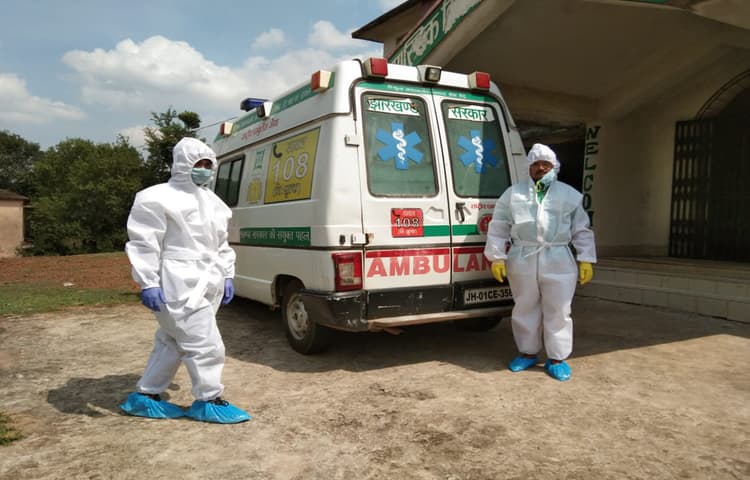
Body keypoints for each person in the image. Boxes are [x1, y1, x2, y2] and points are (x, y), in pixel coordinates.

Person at [119, 137, 251, 423]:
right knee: (205, 343)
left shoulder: (213, 202)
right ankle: (208, 399)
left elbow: (221, 244)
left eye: (208, 164)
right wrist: (148, 281)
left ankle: (146, 396)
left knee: (172, 341)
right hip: (176, 281)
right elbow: (144, 243)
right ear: (182, 163)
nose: (205, 170)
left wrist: (228, 274)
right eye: (199, 163)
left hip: (208, 279)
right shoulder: (155, 198)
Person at [484, 143, 596, 381]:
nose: (541, 168)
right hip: (523, 256)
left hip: (558, 257)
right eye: (536, 164)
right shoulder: (513, 194)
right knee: (525, 306)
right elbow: (499, 226)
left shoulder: (568, 195)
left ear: (555, 167)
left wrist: (586, 258)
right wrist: (497, 257)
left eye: (546, 164)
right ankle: (527, 352)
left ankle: (557, 358)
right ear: (529, 167)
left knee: (559, 309)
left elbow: (581, 229)